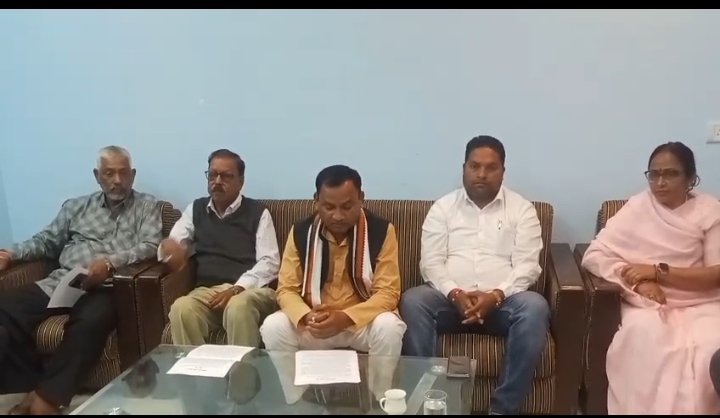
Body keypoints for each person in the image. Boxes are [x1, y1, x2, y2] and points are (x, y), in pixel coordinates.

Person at [0, 146, 162, 415]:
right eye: (109, 173)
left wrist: (110, 263)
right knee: (5, 307)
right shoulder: (75, 207)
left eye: (123, 173)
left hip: (106, 288)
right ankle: (27, 386)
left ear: (133, 175)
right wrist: (11, 254)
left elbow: (150, 245)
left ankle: (48, 398)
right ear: (97, 176)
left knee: (90, 321)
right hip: (61, 282)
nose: (117, 180)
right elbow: (46, 241)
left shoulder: (147, 206)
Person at [400, 135, 550, 415]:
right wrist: (455, 293)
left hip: (502, 306)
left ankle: (501, 410)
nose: (481, 174)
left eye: (491, 167)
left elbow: (527, 266)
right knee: (413, 300)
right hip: (449, 304)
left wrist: (496, 295)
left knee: (535, 307)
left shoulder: (522, 210)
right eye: (474, 166)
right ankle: (431, 403)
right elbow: (431, 263)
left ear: (503, 171)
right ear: (464, 168)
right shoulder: (443, 208)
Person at [581, 141, 720, 414]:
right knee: (647, 341)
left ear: (691, 179)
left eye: (670, 174)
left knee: (709, 348)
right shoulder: (637, 209)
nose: (660, 182)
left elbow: (716, 274)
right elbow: (595, 255)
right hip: (648, 304)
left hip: (701, 301)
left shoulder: (710, 211)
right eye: (654, 174)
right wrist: (640, 281)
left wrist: (658, 272)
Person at [259, 165, 406, 402]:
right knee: (273, 326)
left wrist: (346, 317)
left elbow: (388, 292)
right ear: (316, 201)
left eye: (347, 207)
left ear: (361, 198)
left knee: (389, 327)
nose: (337, 216)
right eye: (329, 207)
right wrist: (306, 316)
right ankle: (296, 401)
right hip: (315, 324)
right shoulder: (301, 231)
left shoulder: (381, 230)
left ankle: (380, 400)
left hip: (360, 324)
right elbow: (286, 289)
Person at [162, 149, 279, 347]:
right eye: (212, 175)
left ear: (241, 182)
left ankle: (244, 368)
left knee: (238, 306)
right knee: (181, 308)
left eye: (225, 176)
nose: (217, 181)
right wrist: (168, 250)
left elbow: (270, 261)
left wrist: (237, 288)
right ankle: (195, 367)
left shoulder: (258, 212)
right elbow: (174, 242)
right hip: (207, 292)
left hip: (249, 291)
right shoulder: (196, 209)